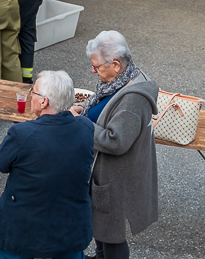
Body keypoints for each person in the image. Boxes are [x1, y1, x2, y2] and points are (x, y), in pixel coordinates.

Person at [72, 31, 159, 259]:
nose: (93, 71)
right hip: (108, 173)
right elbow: (104, 108)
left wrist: (81, 123)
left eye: (97, 66)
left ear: (116, 65)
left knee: (112, 235)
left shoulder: (133, 99)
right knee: (102, 226)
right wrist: (84, 110)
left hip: (116, 177)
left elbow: (116, 140)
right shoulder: (122, 79)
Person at [0, 70, 94, 259]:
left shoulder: (21, 133)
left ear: (44, 101)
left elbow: (1, 164)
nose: (31, 95)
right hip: (70, 226)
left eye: (34, 92)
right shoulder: (86, 128)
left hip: (23, 227)